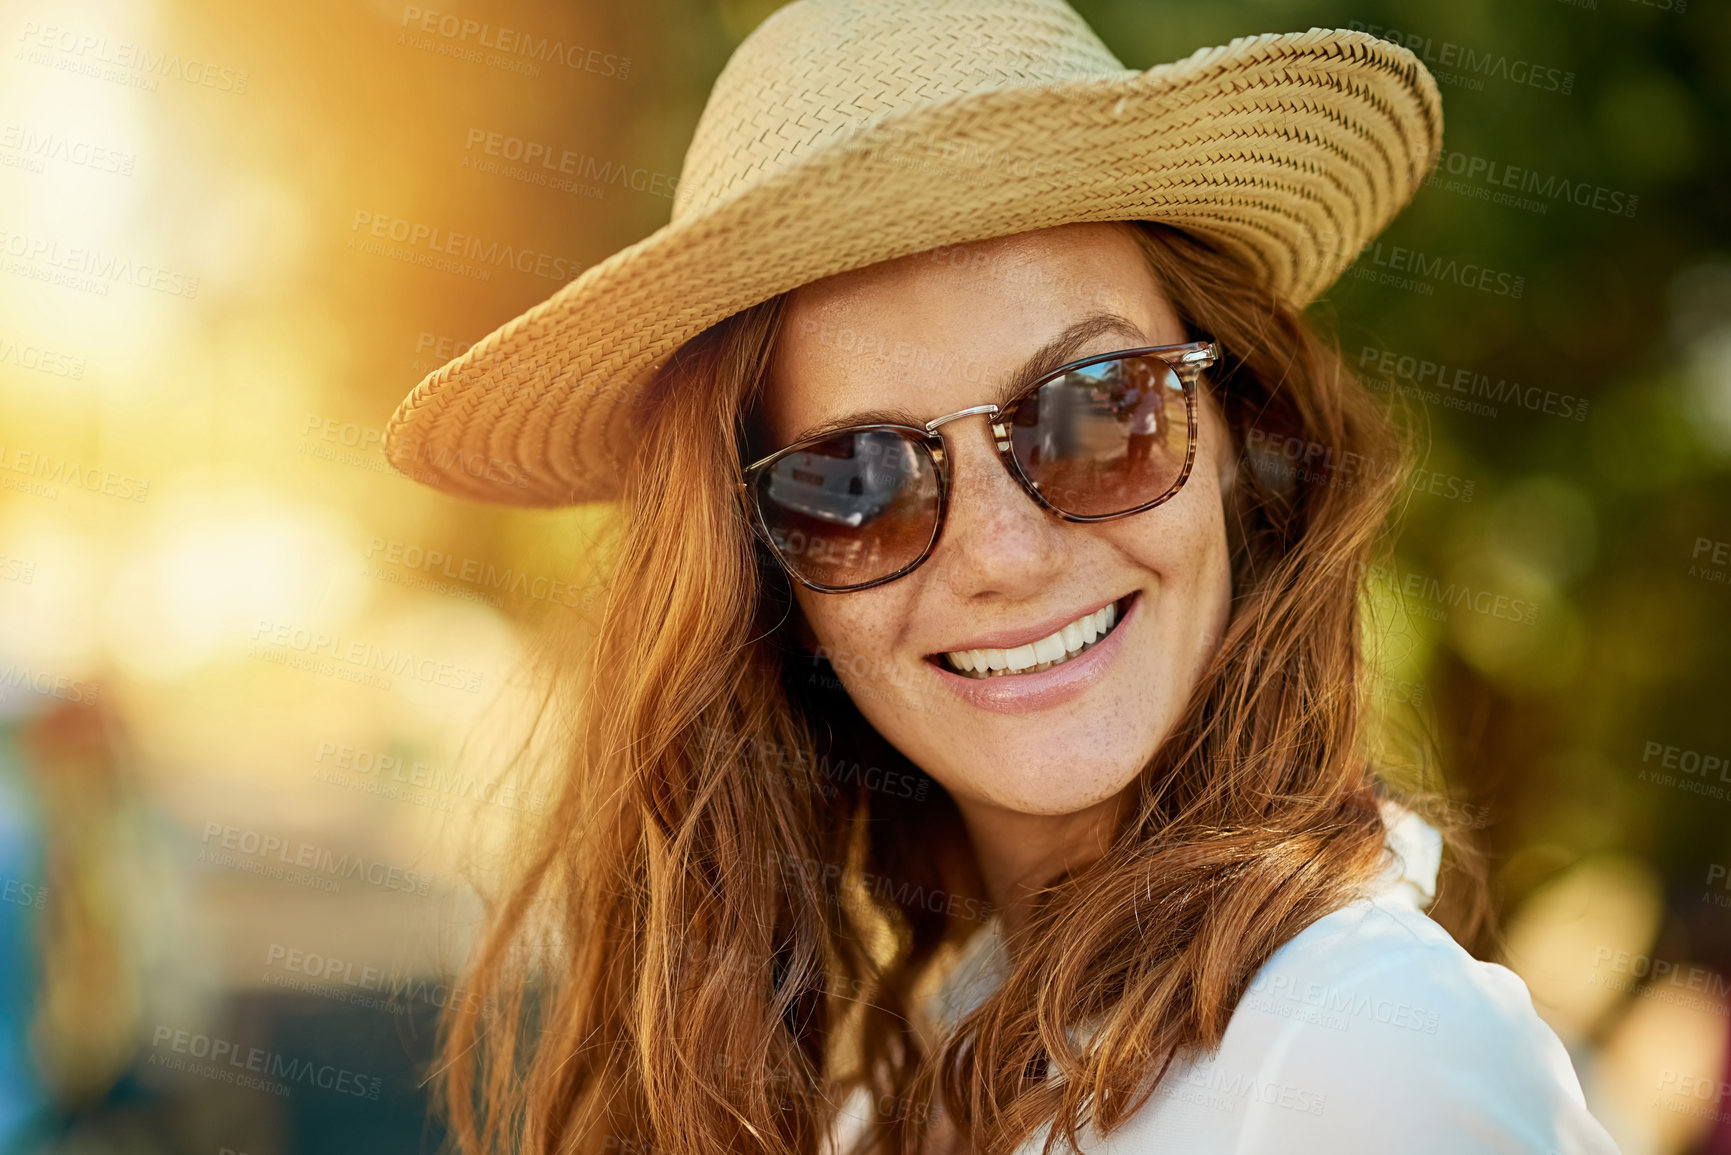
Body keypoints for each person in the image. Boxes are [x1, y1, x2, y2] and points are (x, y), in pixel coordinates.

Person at [381, 1, 1623, 1152]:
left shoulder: (1365, 1057)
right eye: (857, 483)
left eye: (1099, 411)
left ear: (1244, 432)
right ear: (768, 581)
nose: (1006, 554)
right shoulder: (889, 1077)